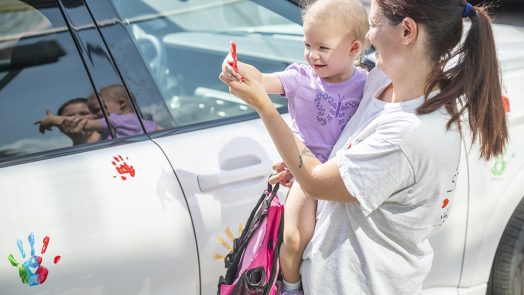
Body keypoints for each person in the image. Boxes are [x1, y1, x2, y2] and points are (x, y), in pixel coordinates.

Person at [220, 0, 508, 294]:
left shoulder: (409, 134)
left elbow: (316, 182)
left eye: (373, 24)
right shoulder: (380, 83)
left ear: (407, 31)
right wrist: (303, 162)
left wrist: (264, 107)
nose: (368, 36)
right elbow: (338, 163)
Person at [222, 0, 368, 293]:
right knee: (293, 238)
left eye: (322, 47)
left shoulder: (368, 83)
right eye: (307, 44)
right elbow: (263, 80)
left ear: (354, 49)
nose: (312, 55)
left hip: (343, 175)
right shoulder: (302, 79)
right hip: (306, 174)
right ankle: (291, 287)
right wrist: (238, 69)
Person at [37, 84, 160, 139]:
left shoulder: (116, 120)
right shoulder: (144, 123)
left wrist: (53, 119)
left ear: (122, 104)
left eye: (98, 109)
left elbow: (85, 124)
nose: (96, 115)